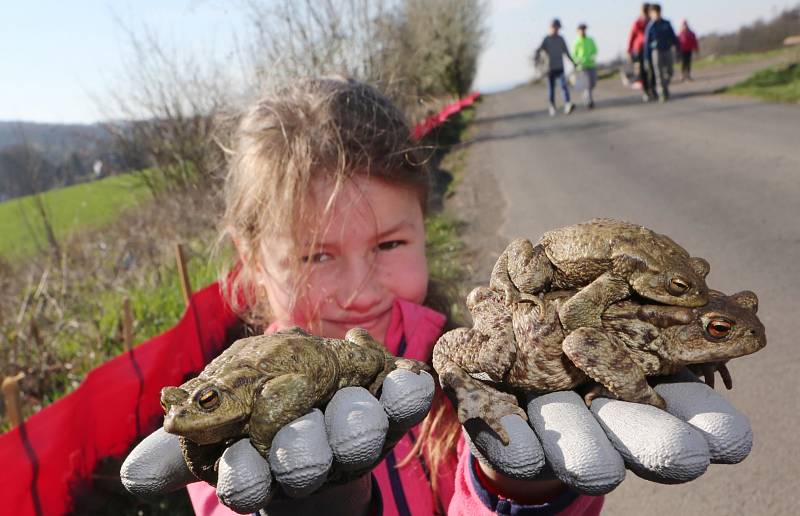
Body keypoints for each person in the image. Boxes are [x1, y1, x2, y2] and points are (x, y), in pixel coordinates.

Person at [120, 77, 756, 516]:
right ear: (252, 259)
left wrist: (518, 486)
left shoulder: (452, 357)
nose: (359, 288)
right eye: (316, 255)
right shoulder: (226, 403)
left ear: (426, 227)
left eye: (390, 245)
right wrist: (304, 507)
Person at [536, 18, 576, 116]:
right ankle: (552, 106)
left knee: (564, 86)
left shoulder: (561, 39)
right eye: (555, 27)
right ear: (551, 27)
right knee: (551, 89)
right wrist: (537, 62)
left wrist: (573, 62)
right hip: (549, 69)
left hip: (560, 67)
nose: (557, 29)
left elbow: (566, 52)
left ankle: (567, 104)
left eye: (558, 28)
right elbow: (538, 50)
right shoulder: (546, 39)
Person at [644, 3, 678, 102]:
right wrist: (646, 58)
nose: (657, 14)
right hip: (656, 52)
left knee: (670, 72)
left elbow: (673, 36)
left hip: (667, 50)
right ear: (651, 14)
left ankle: (665, 86)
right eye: (654, 13)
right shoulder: (650, 26)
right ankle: (662, 93)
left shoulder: (666, 23)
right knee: (658, 74)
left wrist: (677, 46)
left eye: (658, 12)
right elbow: (646, 44)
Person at [627, 3, 652, 100]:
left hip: (651, 48)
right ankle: (646, 90)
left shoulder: (652, 21)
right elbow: (632, 36)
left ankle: (652, 88)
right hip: (640, 49)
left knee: (652, 70)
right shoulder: (638, 22)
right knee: (643, 71)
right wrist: (629, 49)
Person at [572, 23, 598, 109]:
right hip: (582, 66)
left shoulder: (590, 40)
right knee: (587, 84)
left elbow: (595, 50)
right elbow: (574, 55)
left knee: (593, 83)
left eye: (584, 29)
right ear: (578, 31)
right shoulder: (576, 42)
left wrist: (592, 56)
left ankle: (585, 96)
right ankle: (589, 101)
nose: (583, 31)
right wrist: (577, 61)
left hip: (591, 64)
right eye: (581, 29)